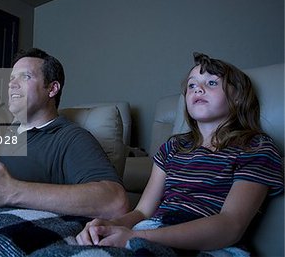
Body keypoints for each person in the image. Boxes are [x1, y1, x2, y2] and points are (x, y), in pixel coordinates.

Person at [76, 52, 284, 255]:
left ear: (237, 96)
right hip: (152, 228)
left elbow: (231, 225)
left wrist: (136, 238)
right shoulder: (173, 147)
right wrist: (109, 225)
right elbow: (142, 212)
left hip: (207, 243)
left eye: (211, 83)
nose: (198, 89)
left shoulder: (255, 147)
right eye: (192, 85)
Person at [0, 48, 130, 219]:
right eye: (11, 79)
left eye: (25, 76)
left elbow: (115, 201)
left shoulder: (69, 137)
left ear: (52, 88)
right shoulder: (2, 132)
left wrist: (13, 191)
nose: (12, 85)